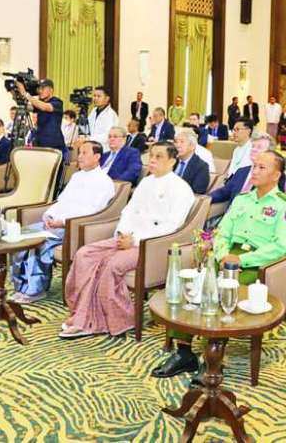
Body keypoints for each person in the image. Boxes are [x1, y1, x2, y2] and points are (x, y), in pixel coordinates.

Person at [151, 151, 286, 378]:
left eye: (262, 168)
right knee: (190, 285)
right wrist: (223, 255)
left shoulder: (281, 205)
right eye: (254, 166)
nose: (254, 171)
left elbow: (281, 246)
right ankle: (184, 353)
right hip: (226, 255)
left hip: (257, 263)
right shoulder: (242, 199)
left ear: (276, 175)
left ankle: (212, 359)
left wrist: (241, 260)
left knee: (222, 292)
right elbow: (222, 232)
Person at [61, 142, 195, 339]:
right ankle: (83, 314)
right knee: (84, 254)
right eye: (151, 156)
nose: (152, 160)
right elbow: (128, 211)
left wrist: (135, 240)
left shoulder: (181, 189)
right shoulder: (146, 182)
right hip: (126, 237)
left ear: (172, 161)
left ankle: (112, 320)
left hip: (150, 245)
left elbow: (172, 227)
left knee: (111, 264)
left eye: (159, 157)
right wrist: (123, 233)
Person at [9, 141, 115, 304]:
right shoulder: (77, 176)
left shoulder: (104, 182)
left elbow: (93, 213)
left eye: (84, 153)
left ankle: (35, 290)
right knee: (19, 236)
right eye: (79, 152)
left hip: (74, 228)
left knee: (37, 242)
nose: (79, 157)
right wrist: (49, 215)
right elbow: (61, 201)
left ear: (97, 157)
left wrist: (62, 222)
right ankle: (21, 287)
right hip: (55, 223)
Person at [210, 135, 277, 205]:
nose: (253, 149)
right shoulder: (241, 171)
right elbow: (224, 192)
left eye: (259, 147)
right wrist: (205, 198)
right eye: (253, 146)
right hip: (233, 210)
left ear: (270, 153)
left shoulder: (272, 176)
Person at [16, 79, 67, 161]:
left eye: (43, 88)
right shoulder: (40, 103)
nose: (40, 91)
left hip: (53, 145)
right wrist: (16, 93)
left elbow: (44, 107)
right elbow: (27, 107)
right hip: (40, 144)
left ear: (51, 90)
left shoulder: (57, 102)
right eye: (39, 89)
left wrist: (25, 94)